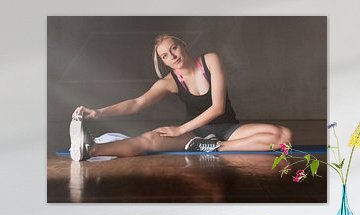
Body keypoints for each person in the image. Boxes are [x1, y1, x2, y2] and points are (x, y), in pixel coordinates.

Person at [69, 34, 292, 161]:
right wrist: (98, 112)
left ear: (183, 45)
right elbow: (136, 103)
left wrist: (180, 130)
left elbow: (218, 107)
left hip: (227, 129)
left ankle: (216, 147)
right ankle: (90, 150)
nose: (172, 56)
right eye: (165, 56)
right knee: (150, 139)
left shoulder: (210, 60)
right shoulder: (168, 82)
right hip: (196, 134)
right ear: (163, 62)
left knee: (283, 136)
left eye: (173, 48)